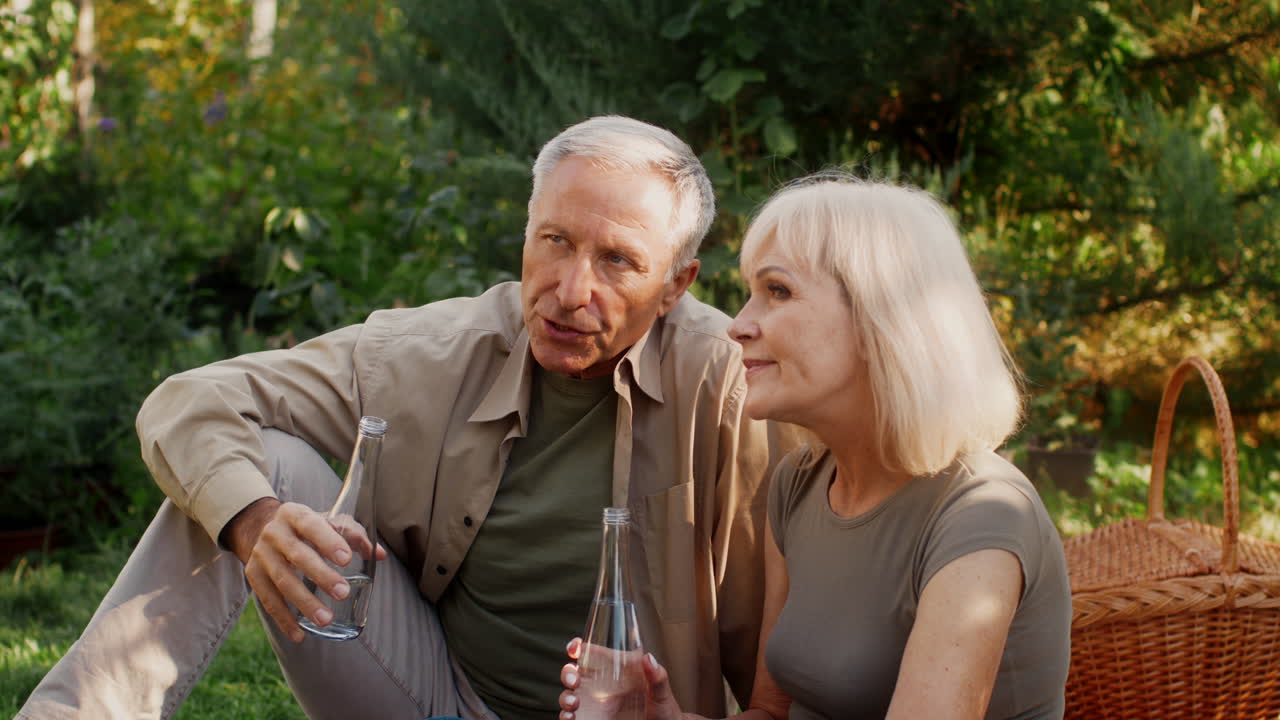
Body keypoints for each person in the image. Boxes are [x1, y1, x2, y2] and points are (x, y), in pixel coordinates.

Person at [18, 116, 797, 720]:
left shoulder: (732, 387)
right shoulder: (434, 353)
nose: (568, 290)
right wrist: (253, 521)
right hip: (435, 696)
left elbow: (788, 663)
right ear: (524, 235)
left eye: (617, 261)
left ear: (677, 283)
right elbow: (188, 401)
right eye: (553, 242)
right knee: (255, 472)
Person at [558, 174, 1072, 720]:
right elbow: (774, 714)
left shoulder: (981, 517)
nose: (739, 326)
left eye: (777, 291)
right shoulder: (800, 484)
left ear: (882, 323)